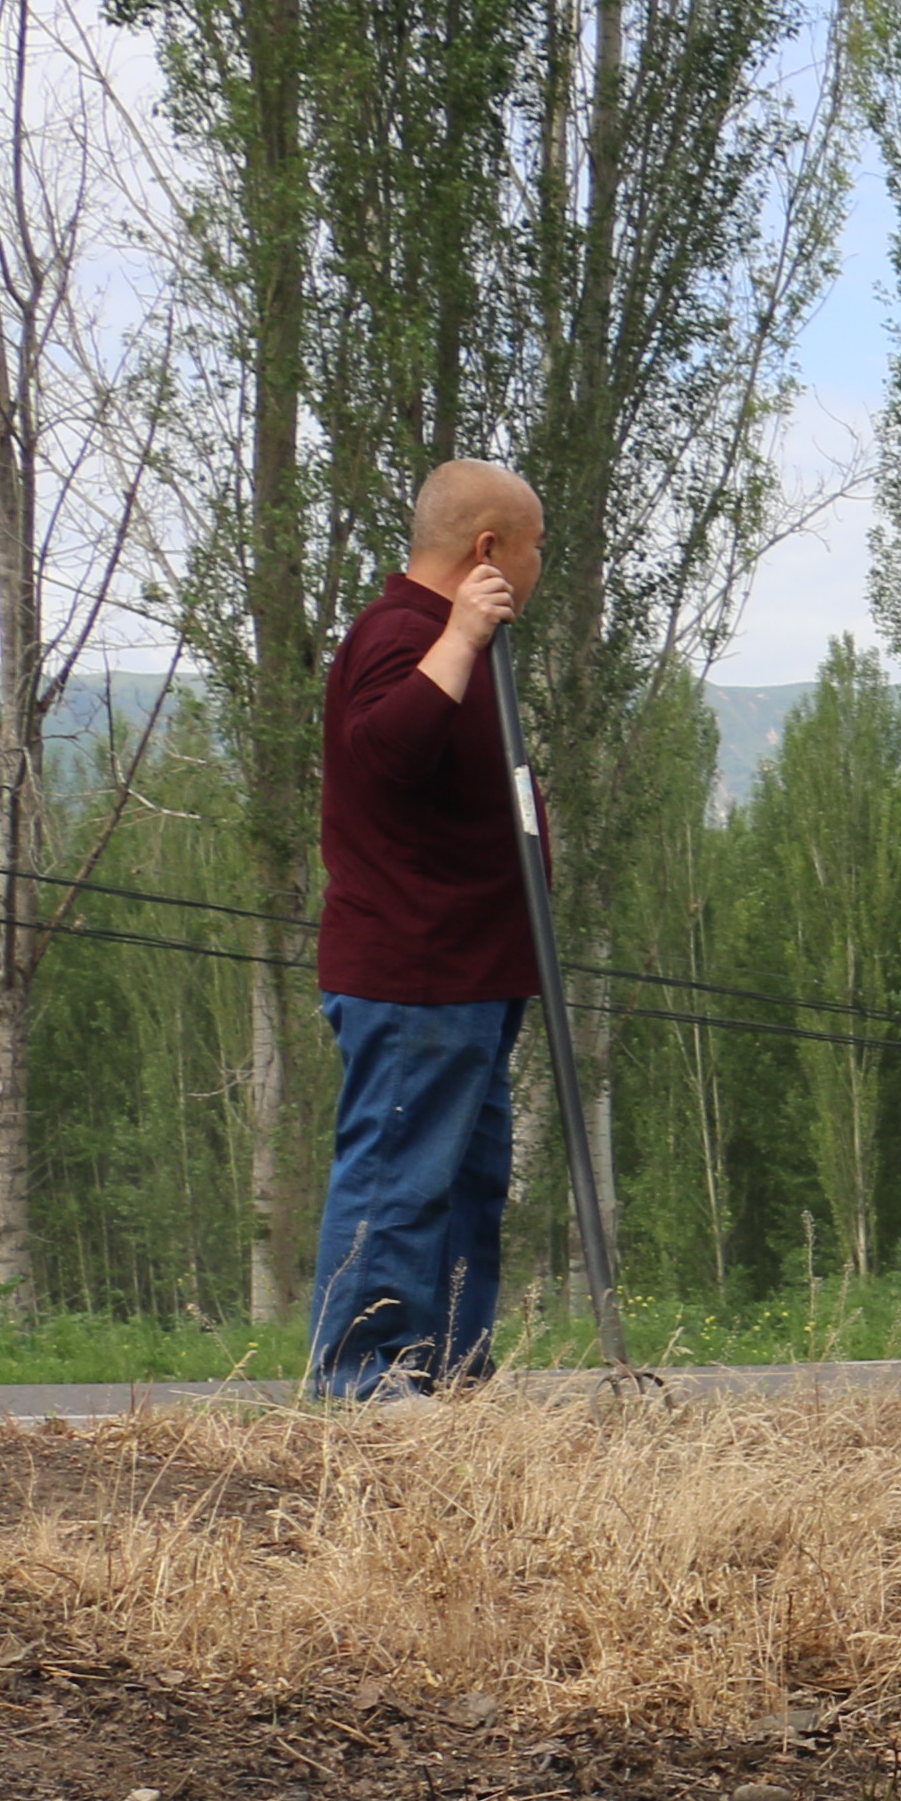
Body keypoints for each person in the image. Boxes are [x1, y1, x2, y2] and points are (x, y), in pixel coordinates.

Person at [308, 459, 548, 1398]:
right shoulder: (403, 632)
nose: (537, 567)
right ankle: (360, 1381)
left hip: (474, 973)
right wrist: (457, 637)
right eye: (533, 549)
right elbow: (382, 756)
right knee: (398, 1182)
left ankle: (445, 1374)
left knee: (462, 1189)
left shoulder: (453, 637)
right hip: (415, 973)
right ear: (487, 550)